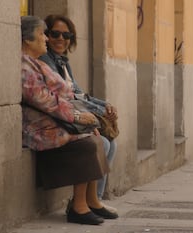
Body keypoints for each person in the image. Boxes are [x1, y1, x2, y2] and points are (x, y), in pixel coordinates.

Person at [21, 15, 118, 225]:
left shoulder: (36, 64)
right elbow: (47, 101)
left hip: (55, 123)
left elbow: (72, 95)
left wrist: (90, 115)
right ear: (28, 40)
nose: (46, 38)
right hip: (41, 129)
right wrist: (78, 117)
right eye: (42, 34)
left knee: (94, 135)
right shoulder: (25, 68)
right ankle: (78, 207)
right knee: (89, 142)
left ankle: (91, 201)